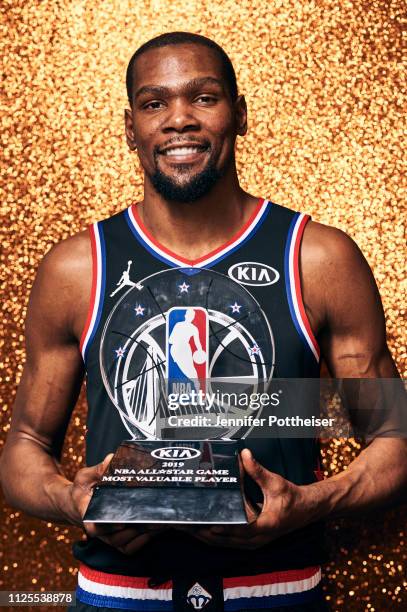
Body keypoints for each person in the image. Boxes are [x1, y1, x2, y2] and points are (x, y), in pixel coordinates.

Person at [0, 31, 406, 612]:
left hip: (276, 592)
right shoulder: (76, 268)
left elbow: (395, 438)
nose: (178, 120)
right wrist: (73, 501)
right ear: (129, 128)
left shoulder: (318, 258)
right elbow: (25, 447)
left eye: (204, 97)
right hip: (119, 595)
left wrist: (313, 502)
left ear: (239, 115)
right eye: (154, 103)